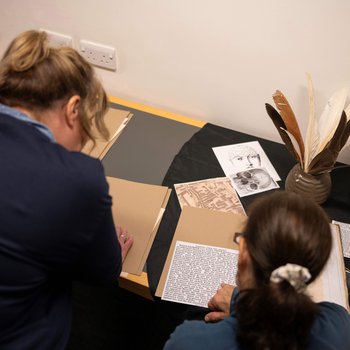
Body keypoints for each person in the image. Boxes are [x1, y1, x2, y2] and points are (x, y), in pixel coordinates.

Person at [0, 30, 133, 349]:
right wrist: (110, 246)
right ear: (73, 109)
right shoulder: (76, 178)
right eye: (85, 134)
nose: (81, 146)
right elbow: (103, 272)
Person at [163, 191, 350, 350]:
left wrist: (244, 305)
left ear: (244, 251)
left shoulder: (190, 341)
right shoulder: (338, 326)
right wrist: (243, 305)